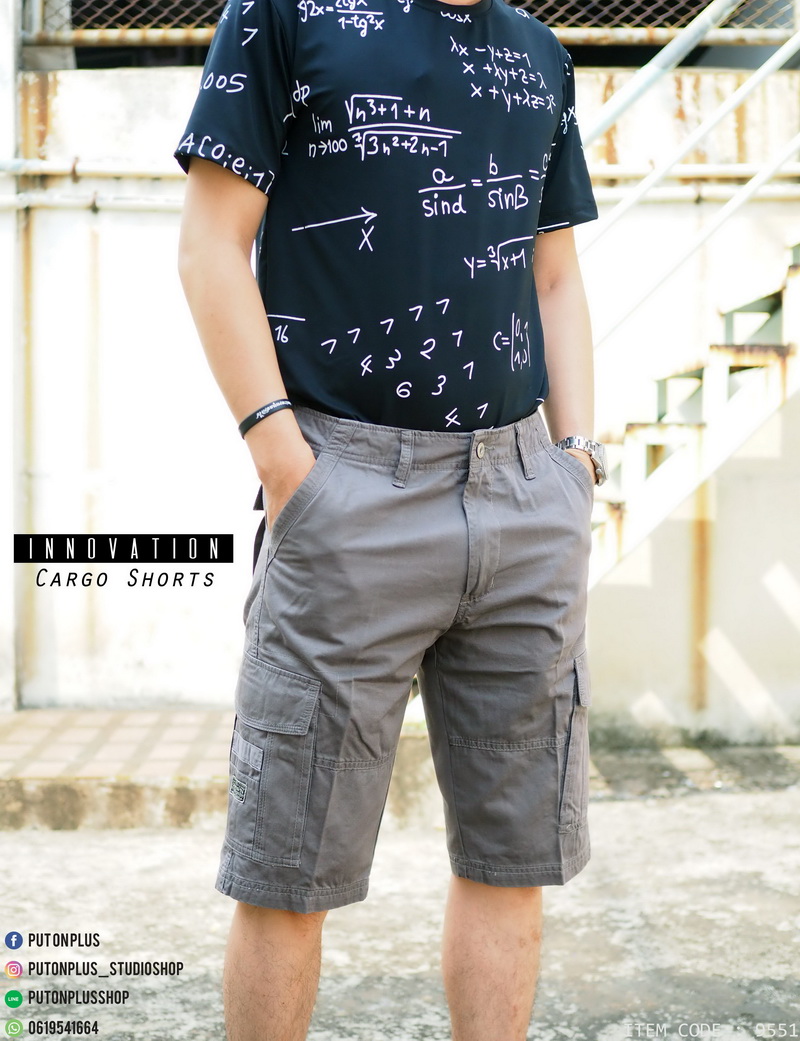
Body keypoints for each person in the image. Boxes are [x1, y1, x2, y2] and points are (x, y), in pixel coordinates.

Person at [175, 0, 605, 1035]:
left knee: (513, 861)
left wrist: (576, 459)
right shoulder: (285, 15)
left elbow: (551, 272)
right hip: (347, 491)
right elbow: (210, 244)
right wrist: (285, 460)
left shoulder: (538, 53)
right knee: (288, 870)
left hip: (523, 492)